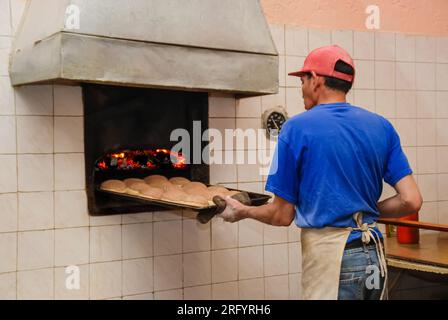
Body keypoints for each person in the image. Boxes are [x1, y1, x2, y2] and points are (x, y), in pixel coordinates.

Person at [218, 45, 423, 300]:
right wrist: (361, 214)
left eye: (302, 80)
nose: (301, 88)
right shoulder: (382, 126)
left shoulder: (296, 129)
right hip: (373, 256)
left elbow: (282, 215)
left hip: (333, 258)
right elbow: (412, 200)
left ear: (316, 80)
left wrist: (243, 211)